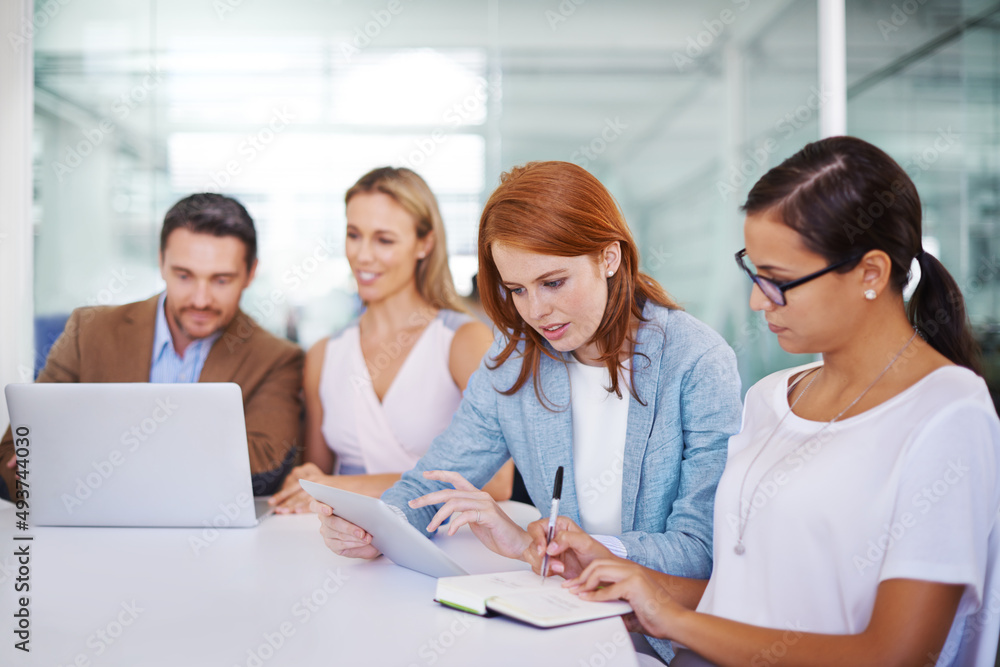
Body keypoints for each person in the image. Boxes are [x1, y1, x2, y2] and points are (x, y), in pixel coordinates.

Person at [543, 137, 1000, 666]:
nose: (759, 300)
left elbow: (894, 654)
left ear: (871, 273)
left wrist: (674, 620)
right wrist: (633, 582)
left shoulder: (948, 414)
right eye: (753, 272)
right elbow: (740, 598)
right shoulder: (773, 398)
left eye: (779, 281)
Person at [311, 160, 743, 660]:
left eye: (553, 282)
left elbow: (700, 549)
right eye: (516, 290)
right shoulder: (512, 365)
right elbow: (434, 478)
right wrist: (376, 526)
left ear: (608, 256)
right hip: (563, 624)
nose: (535, 312)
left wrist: (592, 549)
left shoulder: (697, 362)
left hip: (661, 642)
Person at [0, 193, 304, 498]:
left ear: (251, 273)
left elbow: (264, 468)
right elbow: (13, 454)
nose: (200, 299)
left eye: (221, 280)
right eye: (184, 276)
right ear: (161, 263)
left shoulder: (278, 358)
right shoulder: (89, 331)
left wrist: (93, 455)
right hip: (91, 532)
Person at [271, 167, 512, 510]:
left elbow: (497, 481)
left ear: (424, 243)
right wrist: (303, 482)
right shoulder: (325, 354)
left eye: (384, 240)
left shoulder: (462, 341)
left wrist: (343, 486)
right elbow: (319, 477)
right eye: (354, 235)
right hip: (349, 546)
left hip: (447, 543)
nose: (363, 255)